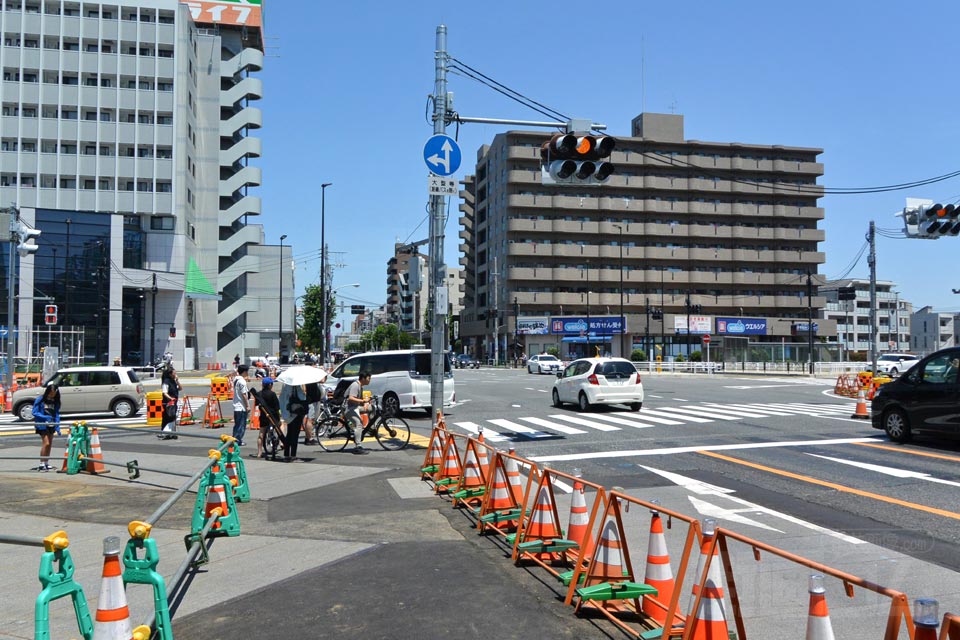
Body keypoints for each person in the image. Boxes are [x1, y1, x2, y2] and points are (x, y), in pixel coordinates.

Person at [32, 383, 60, 471]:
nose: (52, 395)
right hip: (42, 424)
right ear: (47, 392)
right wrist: (44, 417)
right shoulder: (40, 399)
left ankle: (46, 462)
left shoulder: (55, 401)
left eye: (54, 394)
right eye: (50, 393)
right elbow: (34, 412)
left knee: (50, 444)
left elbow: (56, 414)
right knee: (46, 443)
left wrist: (57, 425)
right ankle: (41, 462)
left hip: (52, 424)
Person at [254, 377, 284, 458]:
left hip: (264, 416)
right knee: (281, 424)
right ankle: (282, 442)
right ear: (270, 385)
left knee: (261, 434)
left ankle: (259, 452)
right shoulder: (272, 394)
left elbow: (257, 405)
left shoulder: (259, 394)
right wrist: (279, 415)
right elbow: (277, 407)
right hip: (273, 417)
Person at [344, 371, 372, 455]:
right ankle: (358, 447)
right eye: (368, 378)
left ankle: (370, 428)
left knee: (372, 408)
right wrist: (363, 401)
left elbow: (359, 401)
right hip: (348, 409)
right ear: (363, 378)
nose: (369, 380)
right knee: (359, 424)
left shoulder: (360, 386)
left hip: (355, 407)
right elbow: (351, 398)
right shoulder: (355, 385)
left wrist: (366, 404)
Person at [283, 384, 310, 461]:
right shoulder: (297, 388)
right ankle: (293, 455)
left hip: (289, 412)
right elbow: (302, 398)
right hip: (297, 413)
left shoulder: (286, 387)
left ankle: (286, 454)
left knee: (289, 433)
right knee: (295, 434)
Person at [158, 364, 182, 439]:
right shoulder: (166, 382)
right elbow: (165, 392)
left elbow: (180, 388)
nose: (175, 375)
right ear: (170, 374)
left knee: (172, 417)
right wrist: (171, 398)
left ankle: (171, 432)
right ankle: (165, 432)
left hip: (174, 402)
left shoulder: (173, 381)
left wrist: (177, 381)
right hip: (167, 403)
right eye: (174, 373)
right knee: (168, 417)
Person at [303, 377, 327, 446]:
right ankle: (309, 438)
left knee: (311, 419)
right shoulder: (310, 378)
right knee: (310, 419)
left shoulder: (310, 377)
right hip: (312, 401)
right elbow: (322, 381)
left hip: (314, 400)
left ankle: (308, 437)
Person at [232, 365, 251, 445]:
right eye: (247, 371)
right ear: (244, 372)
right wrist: (247, 405)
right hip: (241, 407)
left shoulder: (236, 380)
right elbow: (244, 394)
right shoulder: (242, 381)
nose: (247, 373)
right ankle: (237, 441)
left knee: (237, 425)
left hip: (236, 406)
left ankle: (234, 440)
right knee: (241, 425)